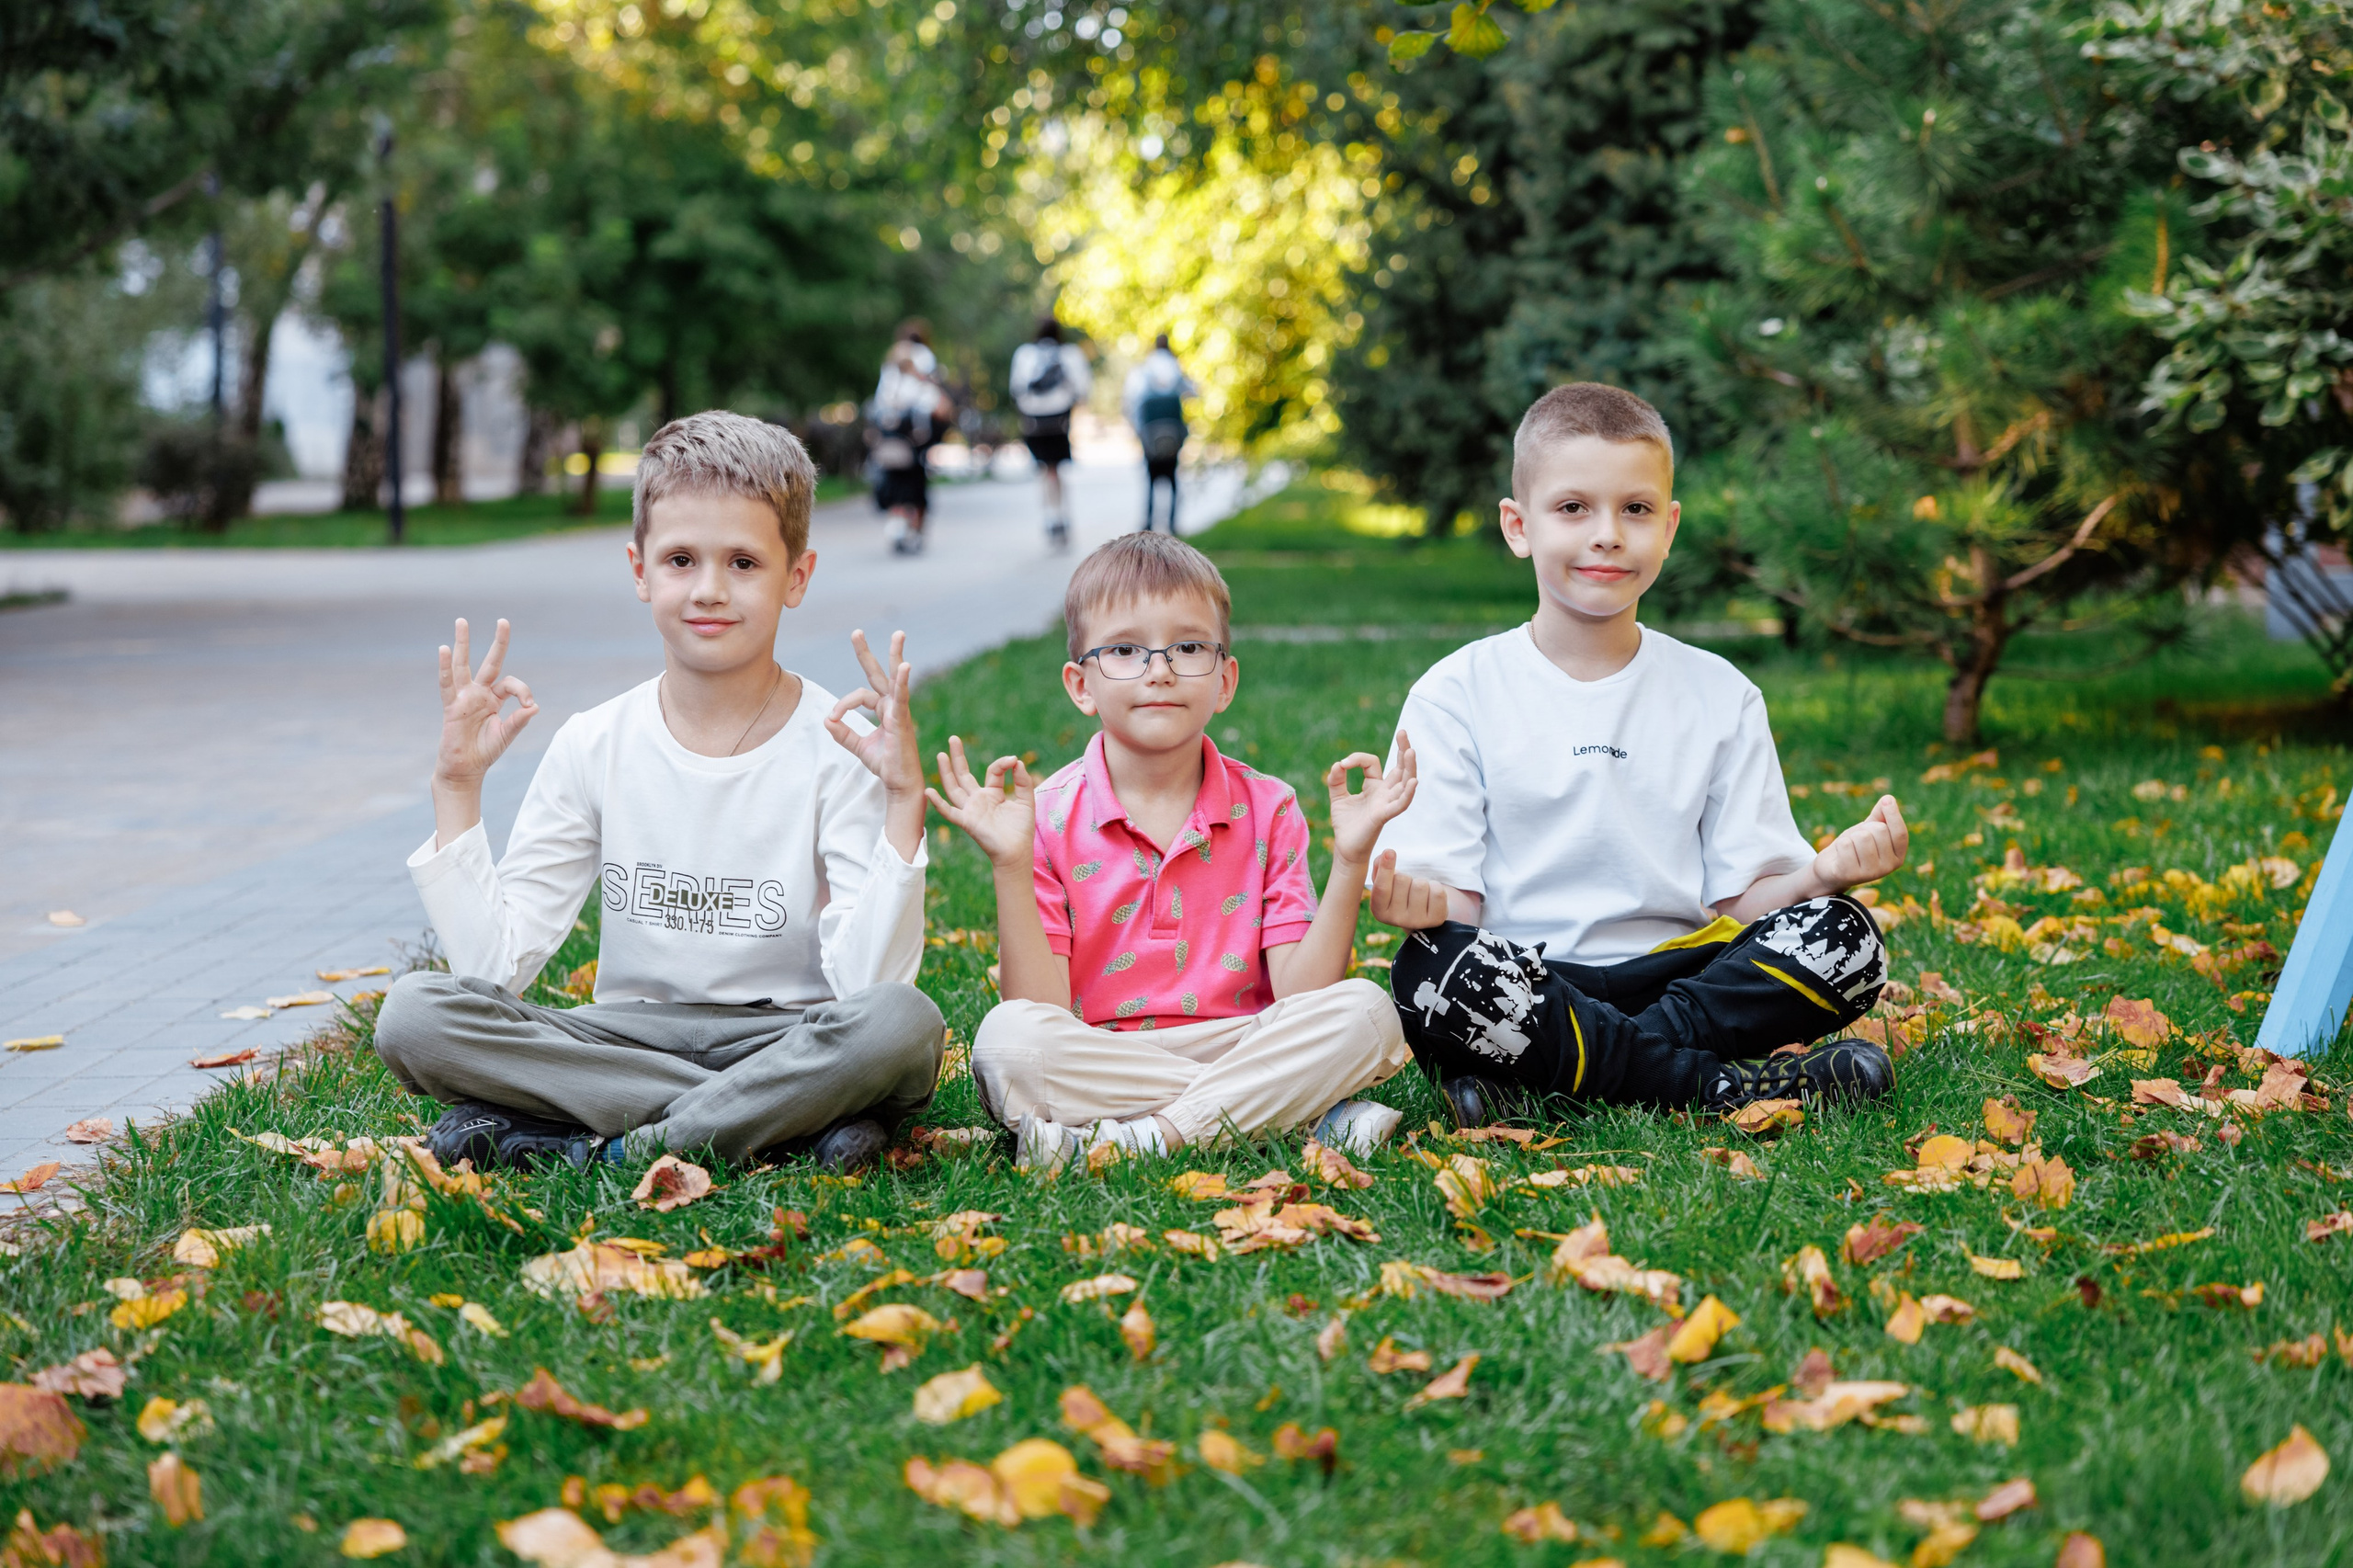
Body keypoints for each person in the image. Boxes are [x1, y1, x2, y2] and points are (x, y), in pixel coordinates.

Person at [373, 411, 943, 1175]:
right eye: (681, 559)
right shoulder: (595, 741)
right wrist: (457, 787)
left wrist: (904, 802)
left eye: (743, 563)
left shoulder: (836, 744)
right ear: (640, 570)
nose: (710, 590)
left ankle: (607, 1146)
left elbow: (868, 987)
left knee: (901, 1025)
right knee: (415, 1014)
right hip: (626, 1036)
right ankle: (784, 1123)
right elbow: (495, 971)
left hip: (789, 1035)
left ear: (795, 577)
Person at [1365, 382, 1904, 1127]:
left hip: (1685, 978)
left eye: (1637, 509)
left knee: (1846, 939)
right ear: (1519, 526)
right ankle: (1721, 1089)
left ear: (1670, 527)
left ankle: (1550, 1085)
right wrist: (1415, 904)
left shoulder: (1721, 692)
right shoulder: (1455, 692)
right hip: (1530, 982)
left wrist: (1826, 873)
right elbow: (1454, 913)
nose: (1608, 534)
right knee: (1434, 971)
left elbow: (1743, 900)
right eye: (1573, 507)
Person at [928, 533, 1415, 1171]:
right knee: (1006, 1044)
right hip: (1104, 1055)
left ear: (1225, 680)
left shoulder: (1269, 807)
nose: (1160, 669)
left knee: (1368, 1015)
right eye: (1126, 650)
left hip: (1243, 1043)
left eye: (1188, 647)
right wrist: (1011, 866)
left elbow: (1303, 995)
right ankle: (1289, 1115)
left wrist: (1350, 862)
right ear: (1081, 685)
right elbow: (1037, 1009)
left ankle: (1138, 1140)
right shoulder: (1045, 816)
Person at [1009, 315, 1092, 549]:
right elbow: (1082, 389)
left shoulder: (1025, 354)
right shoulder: (1070, 354)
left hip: (1034, 422)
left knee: (1046, 470)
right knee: (1056, 470)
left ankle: (1051, 516)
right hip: (1059, 421)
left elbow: (1016, 389)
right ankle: (1059, 516)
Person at [870, 343, 950, 554]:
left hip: (888, 448)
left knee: (893, 487)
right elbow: (937, 408)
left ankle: (897, 524)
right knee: (914, 491)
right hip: (912, 449)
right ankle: (913, 529)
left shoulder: (886, 385)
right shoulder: (918, 385)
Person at [1122, 334, 1195, 534]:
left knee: (1151, 478)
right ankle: (1172, 521)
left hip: (1150, 434)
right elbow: (1194, 392)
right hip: (1174, 434)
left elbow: (1130, 400)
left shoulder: (1144, 370)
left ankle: (1148, 521)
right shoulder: (1177, 368)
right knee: (1172, 478)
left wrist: (1137, 431)